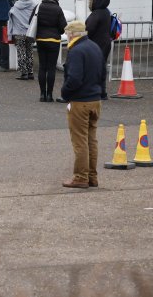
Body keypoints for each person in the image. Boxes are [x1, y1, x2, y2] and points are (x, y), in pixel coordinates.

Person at [60, 20, 106, 189]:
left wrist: (65, 93)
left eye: (67, 34)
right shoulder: (94, 47)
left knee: (79, 141)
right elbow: (103, 73)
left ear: (72, 34)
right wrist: (100, 91)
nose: (66, 36)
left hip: (80, 101)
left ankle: (80, 177)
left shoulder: (76, 51)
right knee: (91, 140)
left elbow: (74, 78)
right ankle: (92, 176)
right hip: (95, 99)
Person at [34, 0, 67, 102]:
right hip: (54, 41)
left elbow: (31, 22)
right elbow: (63, 28)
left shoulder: (38, 7)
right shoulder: (58, 9)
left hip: (41, 41)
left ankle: (42, 94)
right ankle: (49, 95)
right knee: (51, 68)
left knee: (42, 67)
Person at [8, 0, 37, 80]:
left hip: (19, 32)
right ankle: (31, 72)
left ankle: (24, 73)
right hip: (30, 32)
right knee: (29, 52)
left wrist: (10, 33)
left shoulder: (16, 6)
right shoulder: (34, 5)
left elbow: (10, 18)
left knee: (21, 52)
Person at [85, 0, 113, 66]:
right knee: (101, 67)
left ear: (96, 0)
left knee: (94, 68)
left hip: (96, 45)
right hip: (105, 44)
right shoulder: (106, 12)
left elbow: (89, 29)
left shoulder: (96, 13)